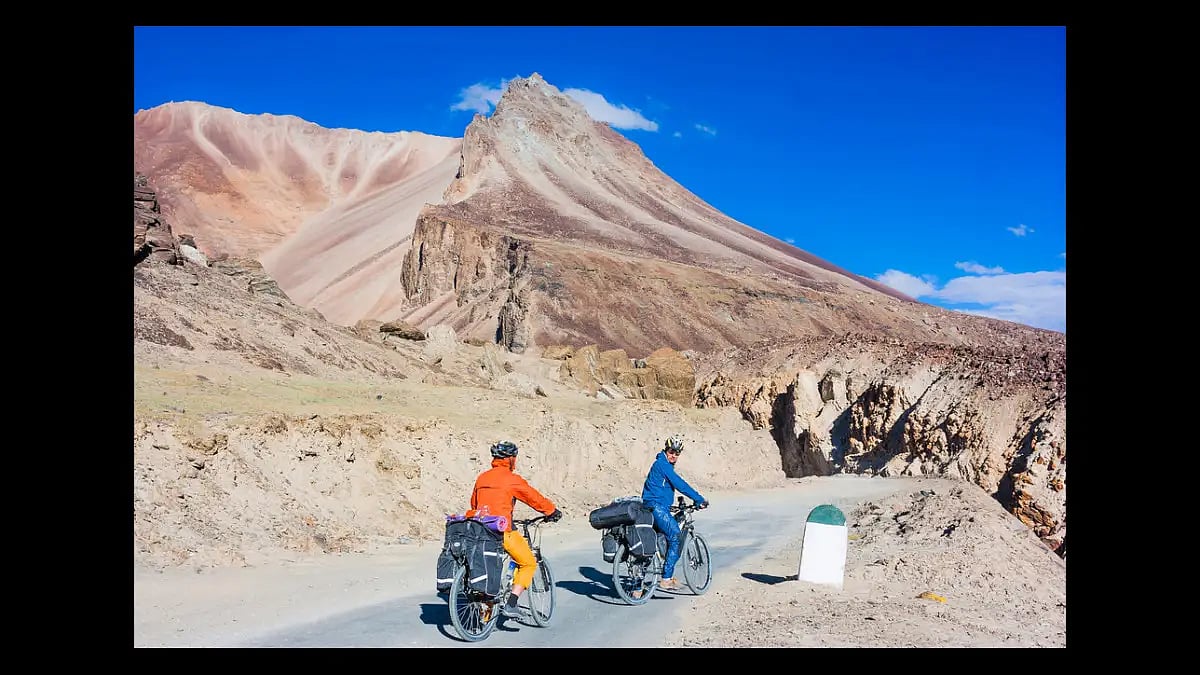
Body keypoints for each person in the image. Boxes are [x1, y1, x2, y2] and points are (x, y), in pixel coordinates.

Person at [469, 440, 562, 618]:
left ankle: (485, 615)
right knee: (528, 563)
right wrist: (551, 511)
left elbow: (474, 503)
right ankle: (512, 603)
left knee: (489, 567)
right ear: (511, 459)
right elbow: (533, 498)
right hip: (502, 530)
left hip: (479, 529)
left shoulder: (482, 478)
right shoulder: (511, 479)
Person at [639, 435, 708, 592]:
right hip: (656, 507)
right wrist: (699, 499)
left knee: (654, 542)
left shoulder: (662, 465)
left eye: (677, 453)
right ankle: (666, 579)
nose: (674, 455)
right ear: (666, 449)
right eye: (671, 451)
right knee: (675, 537)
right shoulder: (663, 464)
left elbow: (659, 490)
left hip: (654, 506)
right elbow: (680, 485)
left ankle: (637, 588)